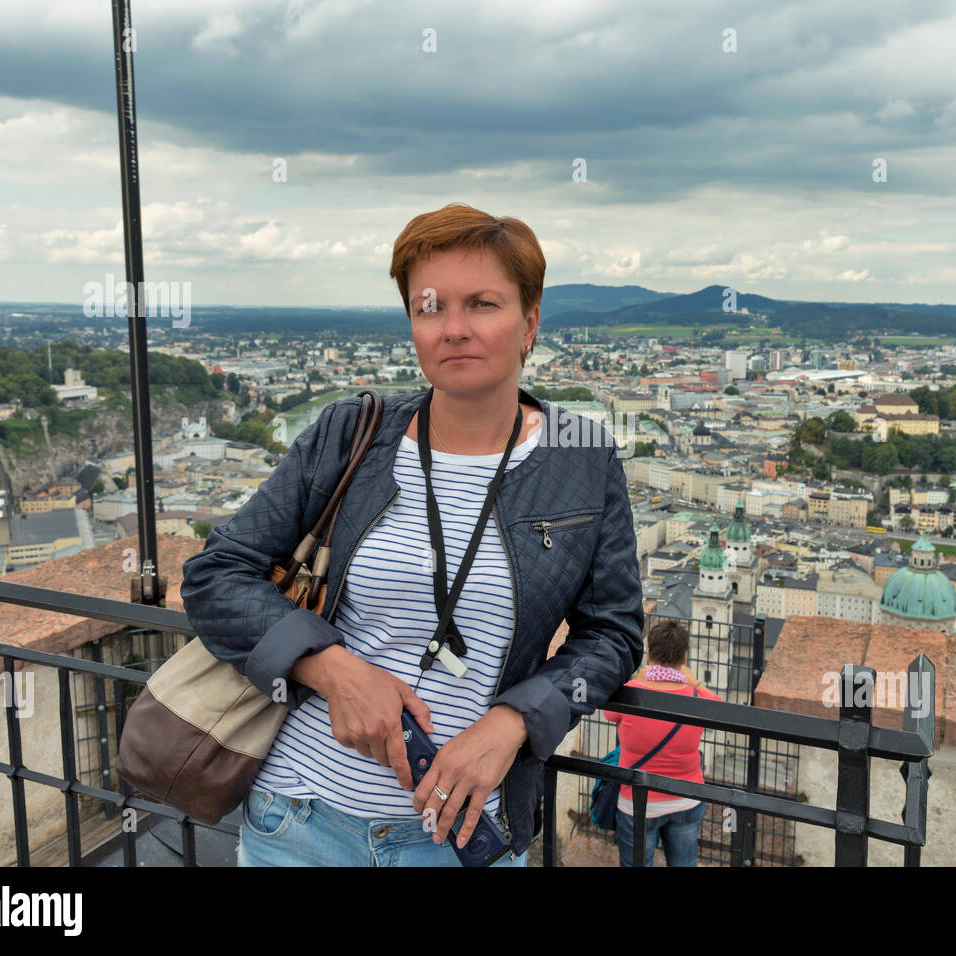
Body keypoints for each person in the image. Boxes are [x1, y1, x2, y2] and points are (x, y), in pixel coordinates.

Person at [179, 203, 644, 866]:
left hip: (459, 838)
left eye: (482, 304)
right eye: (430, 307)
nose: (454, 329)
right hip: (298, 821)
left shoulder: (582, 458)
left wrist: (517, 720)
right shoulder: (349, 434)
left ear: (530, 323)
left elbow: (614, 634)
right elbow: (215, 575)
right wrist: (328, 665)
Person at [602, 619, 721, 867]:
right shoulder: (698, 698)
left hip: (637, 800)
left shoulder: (632, 693)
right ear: (685, 658)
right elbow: (721, 712)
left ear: (648, 654)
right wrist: (695, 682)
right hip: (686, 796)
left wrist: (638, 678)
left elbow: (609, 714)